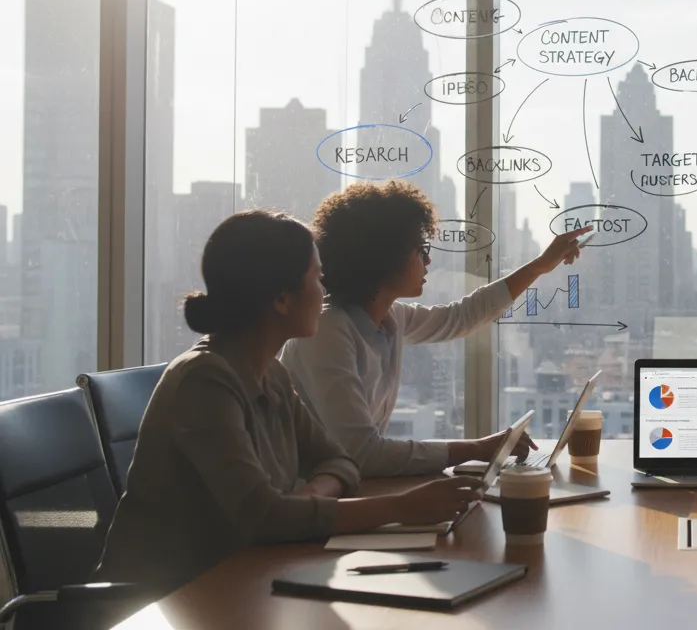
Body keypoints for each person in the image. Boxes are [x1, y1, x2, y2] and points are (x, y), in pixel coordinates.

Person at [96, 211, 487, 600]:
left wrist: (308, 497)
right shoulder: (205, 382)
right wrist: (400, 507)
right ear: (282, 299)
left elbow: (342, 462)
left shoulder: (272, 375)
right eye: (317, 278)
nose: (325, 289)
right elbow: (265, 517)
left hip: (243, 579)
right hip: (166, 601)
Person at [280, 180, 591, 477]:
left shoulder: (390, 318)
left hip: (349, 488)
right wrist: (479, 448)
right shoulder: (327, 332)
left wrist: (539, 266)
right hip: (311, 503)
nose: (428, 260)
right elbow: (362, 453)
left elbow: (461, 317)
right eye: (420, 248)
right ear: (384, 257)